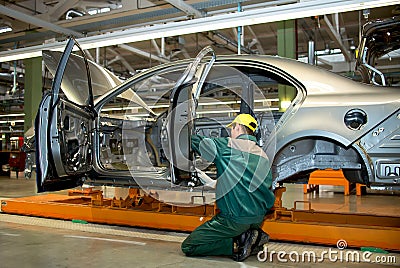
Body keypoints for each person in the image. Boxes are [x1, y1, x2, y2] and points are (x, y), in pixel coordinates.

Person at [181, 113, 275, 262]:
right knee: (243, 223)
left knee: (189, 246)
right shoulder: (263, 155)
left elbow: (195, 142)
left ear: (238, 127)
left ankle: (237, 244)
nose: (231, 131)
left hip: (235, 219)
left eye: (233, 128)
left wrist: (179, 132)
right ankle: (252, 236)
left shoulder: (227, 146)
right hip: (258, 217)